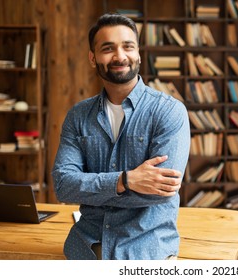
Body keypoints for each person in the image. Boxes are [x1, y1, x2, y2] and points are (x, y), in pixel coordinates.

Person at [52, 13, 190, 260]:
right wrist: (125, 180)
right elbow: (63, 186)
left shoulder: (169, 111)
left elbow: (160, 190)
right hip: (85, 249)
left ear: (138, 54)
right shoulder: (78, 116)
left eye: (128, 46)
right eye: (108, 48)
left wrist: (91, 189)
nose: (120, 56)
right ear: (93, 58)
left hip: (146, 251)